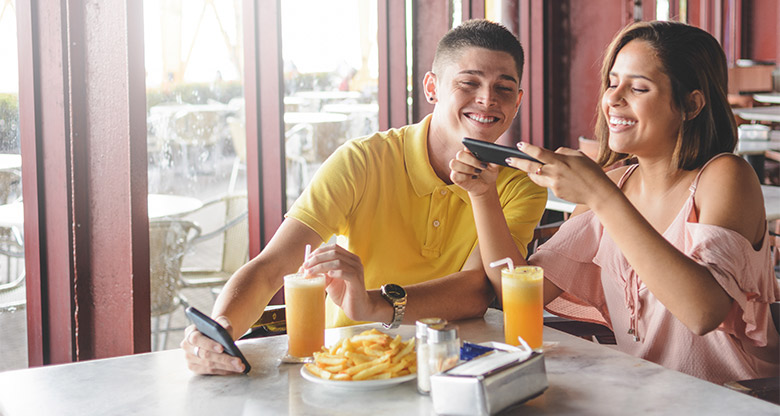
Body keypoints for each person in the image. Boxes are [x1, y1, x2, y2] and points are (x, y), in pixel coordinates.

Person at [182, 19, 547, 375]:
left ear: (517, 102)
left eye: (503, 88)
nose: (487, 99)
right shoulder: (363, 160)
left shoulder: (521, 184)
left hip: (453, 365)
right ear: (432, 88)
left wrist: (375, 303)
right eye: (469, 83)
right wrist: (220, 330)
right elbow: (272, 267)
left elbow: (479, 290)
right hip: (345, 366)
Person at [451, 20, 779, 384]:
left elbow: (703, 312)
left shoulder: (723, 176)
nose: (613, 98)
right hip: (643, 396)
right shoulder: (613, 185)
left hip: (736, 399)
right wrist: (483, 196)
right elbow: (521, 290)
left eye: (638, 87)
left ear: (691, 104)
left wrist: (600, 196)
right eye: (611, 83)